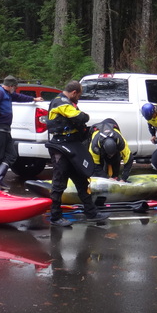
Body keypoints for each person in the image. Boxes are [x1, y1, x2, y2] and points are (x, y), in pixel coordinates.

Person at [45, 80, 109, 227]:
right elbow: (80, 117)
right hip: (60, 147)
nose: (79, 98)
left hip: (72, 146)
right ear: (74, 93)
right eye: (79, 95)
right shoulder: (60, 103)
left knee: (81, 179)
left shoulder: (68, 103)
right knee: (59, 182)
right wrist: (84, 116)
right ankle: (55, 216)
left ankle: (91, 213)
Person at [0, 75, 43, 190]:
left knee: (12, 155)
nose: (15, 89)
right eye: (15, 87)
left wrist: (33, 99)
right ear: (11, 86)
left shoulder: (7, 93)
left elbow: (19, 97)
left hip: (5, 129)